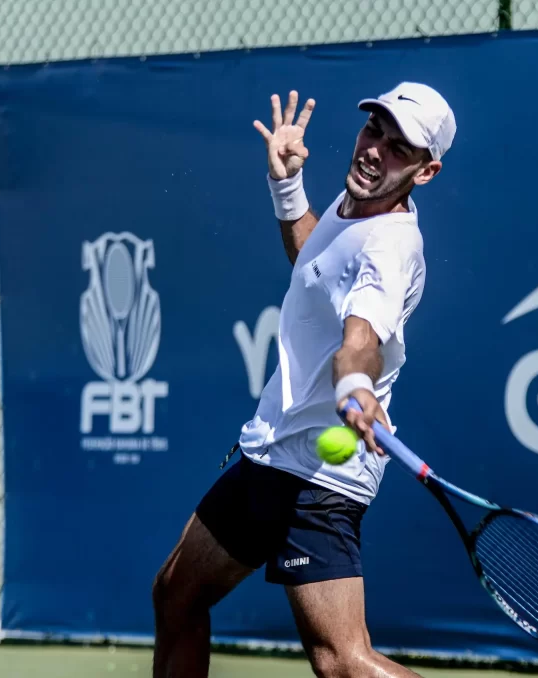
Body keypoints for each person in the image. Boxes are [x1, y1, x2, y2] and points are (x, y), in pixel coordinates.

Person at [152, 81, 456, 678]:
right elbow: (318, 264)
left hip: (319, 478)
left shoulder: (391, 249)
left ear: (426, 172)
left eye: (398, 149)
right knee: (176, 594)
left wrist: (355, 387)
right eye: (374, 131)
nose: (375, 151)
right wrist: (288, 186)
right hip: (272, 453)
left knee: (342, 663)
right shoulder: (353, 213)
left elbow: (360, 341)